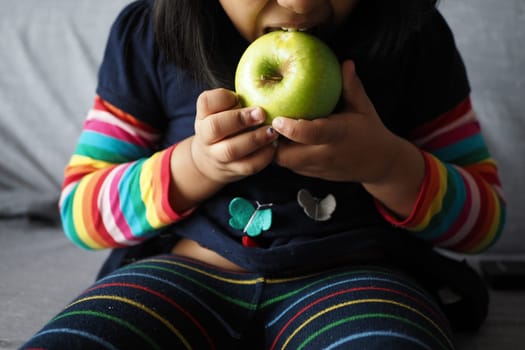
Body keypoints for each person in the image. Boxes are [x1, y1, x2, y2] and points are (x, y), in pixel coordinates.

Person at [22, 0, 506, 349]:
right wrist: (196, 166)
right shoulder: (149, 35)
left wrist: (387, 165)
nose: (300, 5)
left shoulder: (414, 38)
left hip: (358, 281)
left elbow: (485, 222)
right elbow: (82, 211)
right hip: (181, 275)